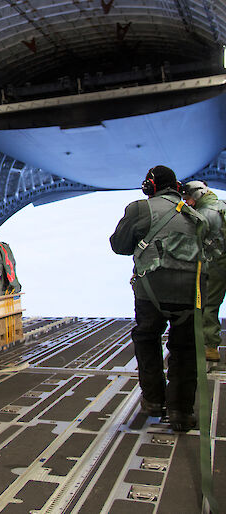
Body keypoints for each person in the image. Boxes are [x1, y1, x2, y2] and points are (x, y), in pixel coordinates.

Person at [110, 165, 207, 432]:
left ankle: (153, 400)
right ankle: (181, 412)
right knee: (185, 349)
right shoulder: (194, 214)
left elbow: (119, 245)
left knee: (147, 338)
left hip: (151, 291)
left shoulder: (140, 209)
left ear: (149, 187)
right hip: (190, 293)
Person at [182, 180, 226, 363]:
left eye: (188, 199)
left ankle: (210, 347)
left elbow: (194, 244)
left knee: (208, 306)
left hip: (216, 265)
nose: (187, 203)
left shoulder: (203, 214)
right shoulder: (222, 205)